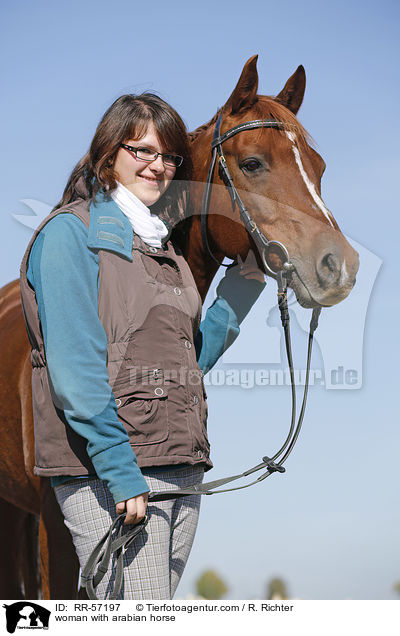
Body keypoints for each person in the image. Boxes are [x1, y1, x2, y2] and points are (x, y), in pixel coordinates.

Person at [19, 93, 265, 600]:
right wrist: (119, 470)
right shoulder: (71, 234)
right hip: (115, 474)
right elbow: (74, 371)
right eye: (142, 151)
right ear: (109, 153)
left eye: (170, 156)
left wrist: (241, 291)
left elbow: (186, 361)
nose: (158, 166)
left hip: (180, 466)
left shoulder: (164, 249)